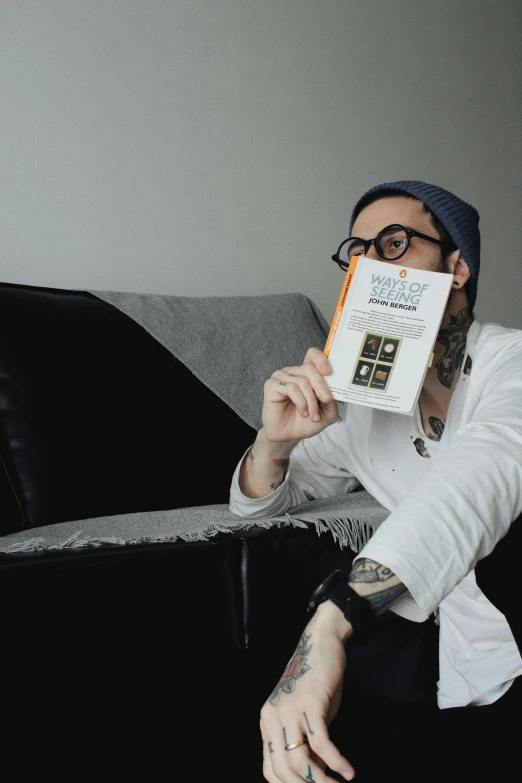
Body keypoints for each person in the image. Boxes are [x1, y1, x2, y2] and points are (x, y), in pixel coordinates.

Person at [228, 180, 522, 782]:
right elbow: (258, 504)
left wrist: (332, 623)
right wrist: (276, 440)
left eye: (393, 243)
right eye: (357, 253)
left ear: (457, 266)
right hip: (480, 684)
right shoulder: (363, 410)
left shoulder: (510, 361)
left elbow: (487, 473)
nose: (368, 266)